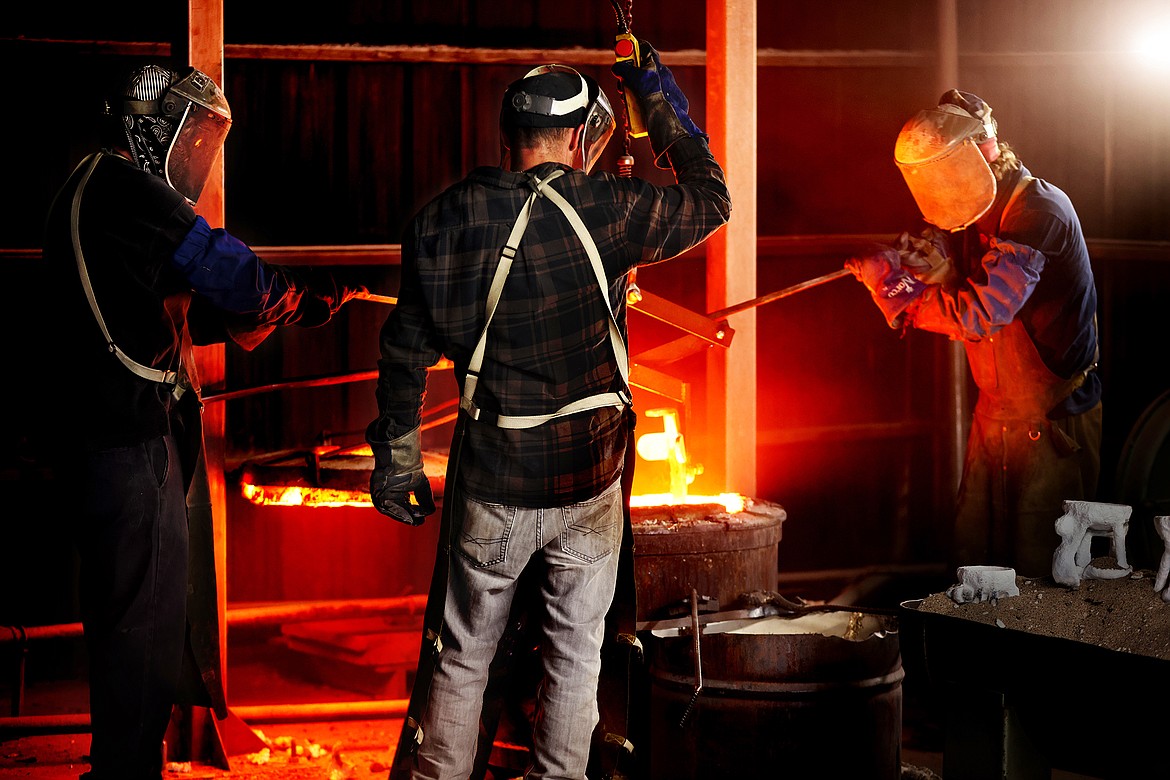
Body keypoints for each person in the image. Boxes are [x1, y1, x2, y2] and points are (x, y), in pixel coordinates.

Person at [366, 44, 730, 779]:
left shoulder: (442, 223)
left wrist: (398, 462)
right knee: (576, 656)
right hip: (587, 487)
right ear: (576, 137)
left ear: (511, 134)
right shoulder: (607, 211)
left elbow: (404, 353)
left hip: (493, 484)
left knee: (463, 656)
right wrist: (655, 99)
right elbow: (711, 198)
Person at [41, 63, 368, 780]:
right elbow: (231, 272)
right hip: (126, 448)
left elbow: (183, 308)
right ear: (155, 129)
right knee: (144, 639)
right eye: (197, 138)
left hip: (103, 442)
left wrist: (301, 304)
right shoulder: (131, 194)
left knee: (129, 626)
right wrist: (292, 295)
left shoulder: (91, 188)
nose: (200, 155)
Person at [846, 89, 1101, 578]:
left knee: (1042, 569)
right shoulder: (968, 211)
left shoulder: (1038, 213)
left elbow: (981, 314)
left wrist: (894, 293)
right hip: (994, 418)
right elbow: (937, 261)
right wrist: (898, 268)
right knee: (975, 561)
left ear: (983, 152)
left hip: (1053, 424)